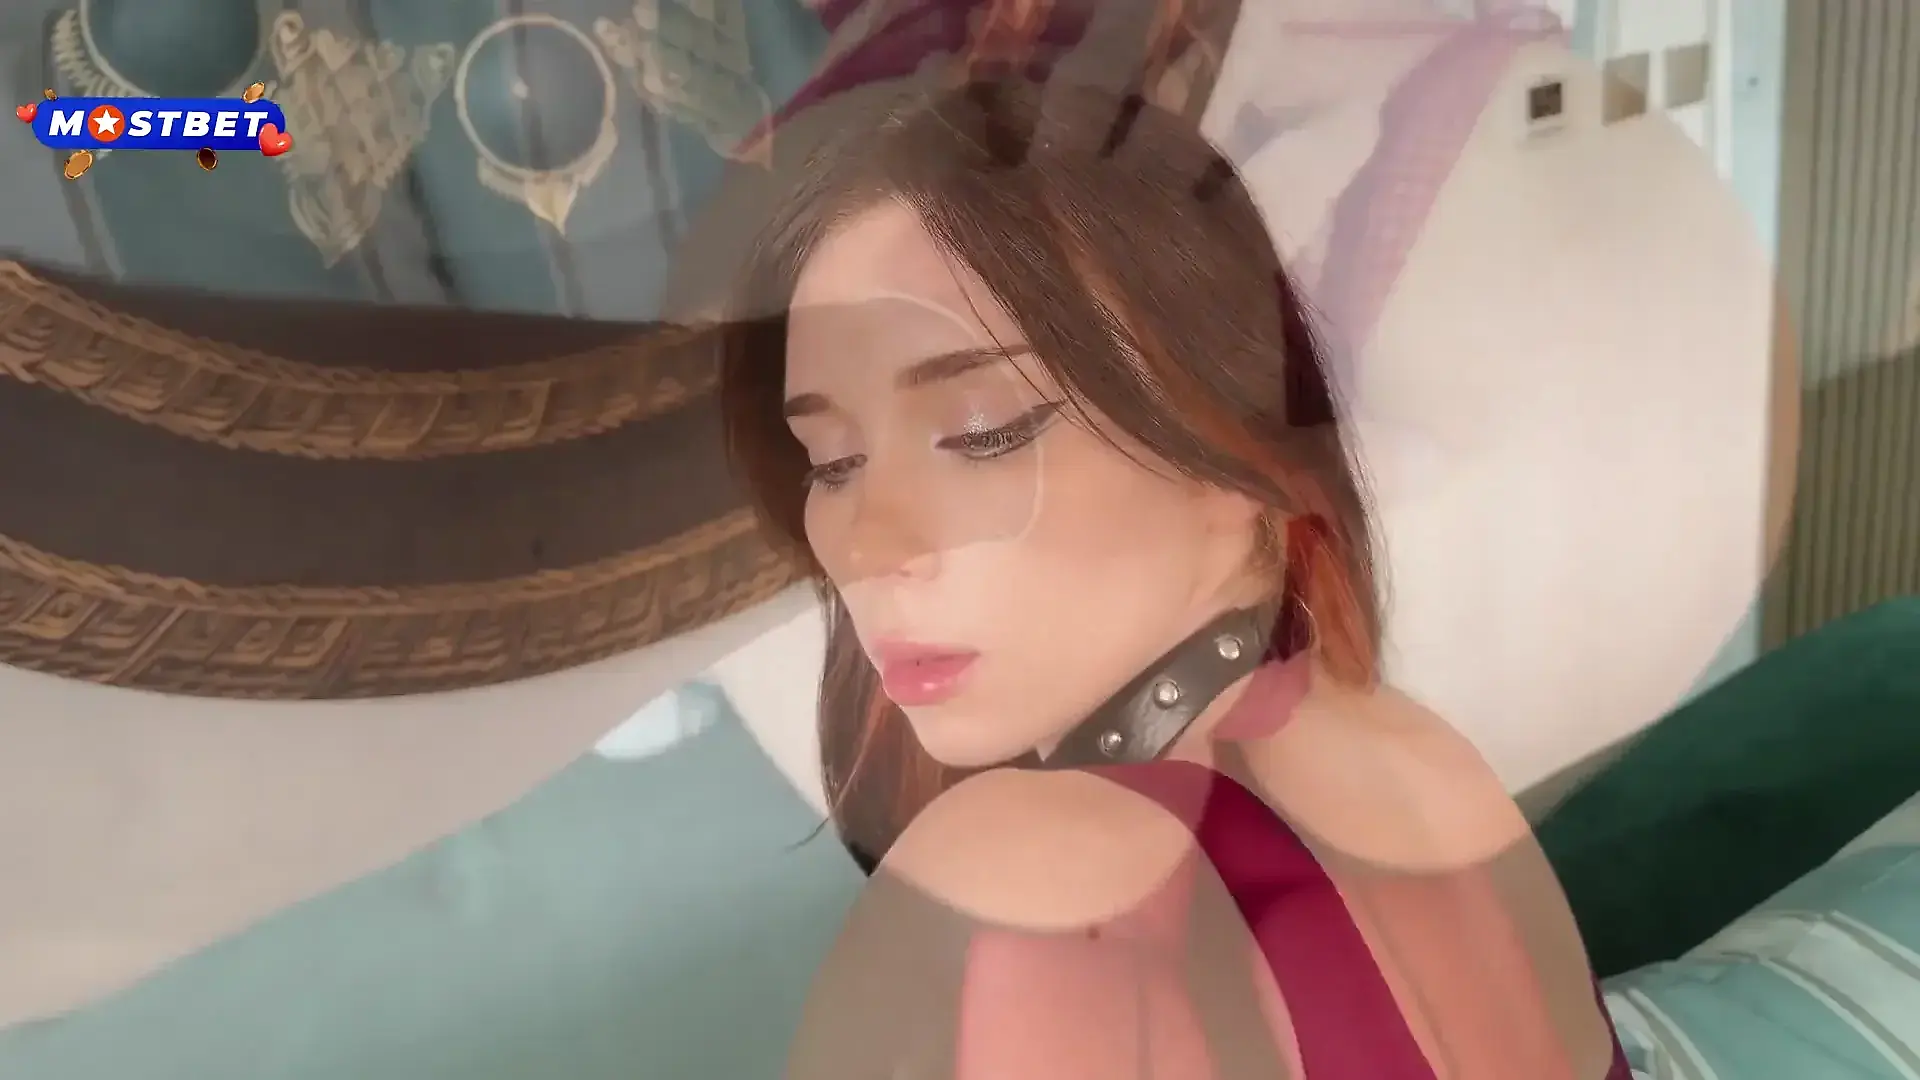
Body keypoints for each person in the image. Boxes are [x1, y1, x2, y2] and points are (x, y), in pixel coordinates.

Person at [718, 77, 1632, 1077]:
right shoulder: (1416, 752)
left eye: (982, 433)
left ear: (1231, 445)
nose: (864, 545)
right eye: (832, 463)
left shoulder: (1006, 878)